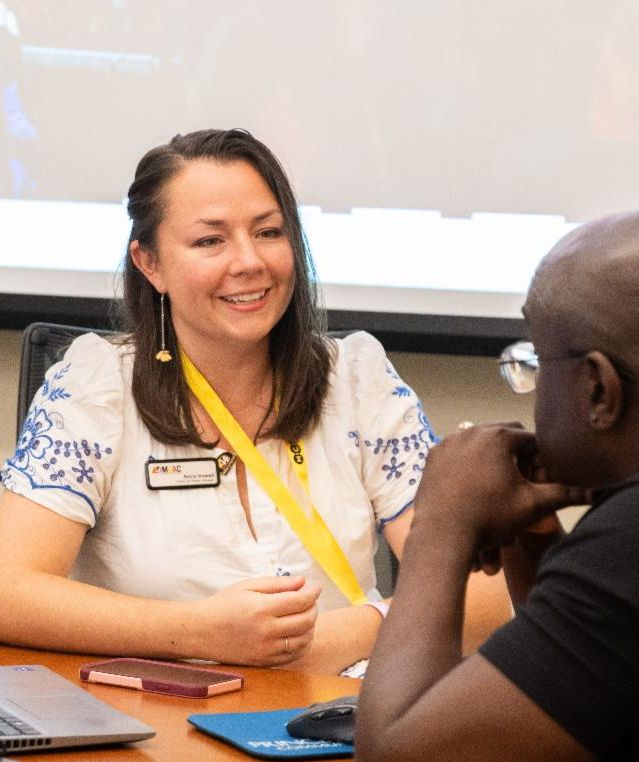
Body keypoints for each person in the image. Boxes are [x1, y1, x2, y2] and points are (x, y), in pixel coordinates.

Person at [354, 208, 639, 762]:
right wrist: (531, 534)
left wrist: (442, 521)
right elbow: (600, 675)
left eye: (537, 362)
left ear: (597, 389)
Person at [0, 128, 440, 674]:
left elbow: (483, 594)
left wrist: (355, 629)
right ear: (150, 263)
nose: (250, 261)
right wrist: (200, 633)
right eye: (211, 241)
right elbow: (9, 590)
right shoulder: (98, 386)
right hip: (157, 729)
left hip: (340, 720)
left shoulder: (356, 378)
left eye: (269, 232)